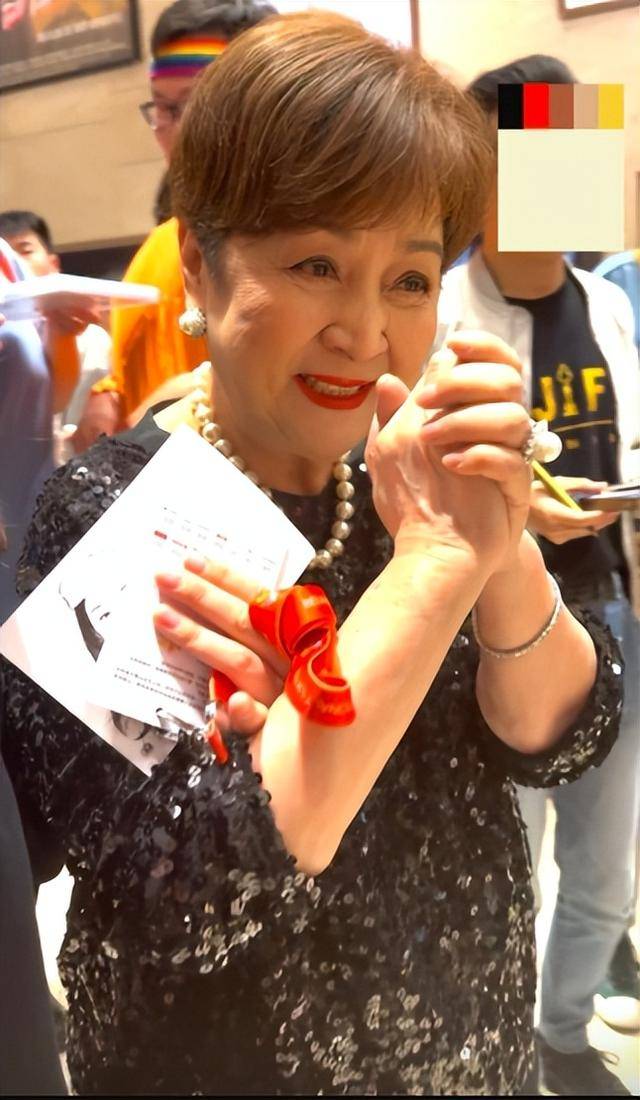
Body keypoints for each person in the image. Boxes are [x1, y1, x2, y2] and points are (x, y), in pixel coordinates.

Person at [0, 15, 624, 1095]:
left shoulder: (401, 473)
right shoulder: (115, 511)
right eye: (317, 263)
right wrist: (434, 567)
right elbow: (177, 897)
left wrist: (496, 543)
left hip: (475, 1047)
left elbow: (557, 740)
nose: (365, 330)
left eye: (410, 281)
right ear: (199, 264)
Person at [436, 54, 640, 1096]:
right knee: (500, 864)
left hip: (612, 604)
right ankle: (498, 1047)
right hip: (490, 627)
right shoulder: (439, 311)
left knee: (605, 868)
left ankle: (560, 1033)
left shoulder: (607, 304)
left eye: (580, 152)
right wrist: (515, 513)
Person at [72, 0, 276, 453]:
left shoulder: (301, 250)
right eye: (162, 107)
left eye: (193, 105)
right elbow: (125, 375)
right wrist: (105, 392)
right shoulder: (164, 243)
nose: (169, 131)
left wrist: (189, 400)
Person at [0, 209, 112, 462]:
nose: (21, 259)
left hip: (36, 466)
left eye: (26, 250)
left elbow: (52, 400)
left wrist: (62, 331)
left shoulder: (7, 259)